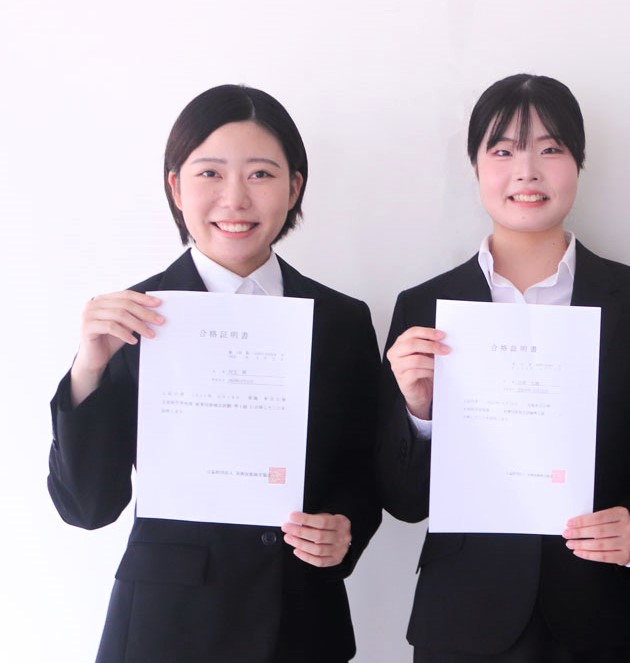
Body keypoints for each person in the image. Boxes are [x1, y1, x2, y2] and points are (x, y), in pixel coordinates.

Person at [47, 84, 381, 663]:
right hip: (165, 628)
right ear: (176, 187)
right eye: (209, 174)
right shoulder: (131, 318)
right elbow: (87, 507)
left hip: (299, 622)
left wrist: (344, 529)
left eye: (260, 174)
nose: (235, 199)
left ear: (294, 188)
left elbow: (363, 469)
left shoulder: (342, 320)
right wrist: (89, 366)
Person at [377, 73, 630, 662]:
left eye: (550, 149)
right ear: (475, 166)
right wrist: (418, 412)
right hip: (467, 619)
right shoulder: (424, 307)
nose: (527, 172)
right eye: (503, 151)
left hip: (608, 613)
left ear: (578, 163)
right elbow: (404, 500)